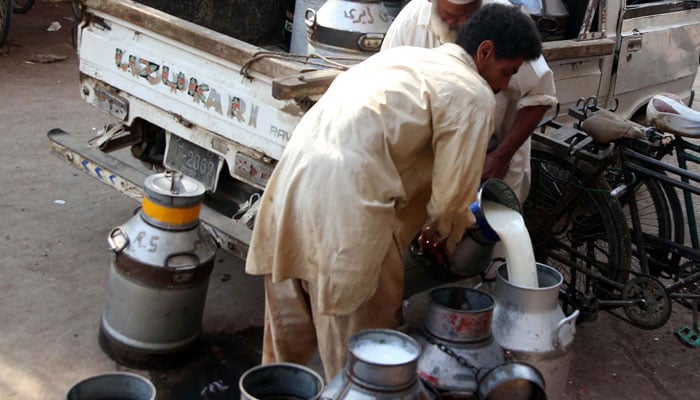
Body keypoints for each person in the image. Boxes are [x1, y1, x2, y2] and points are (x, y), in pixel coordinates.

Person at [245, 3, 543, 381]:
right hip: (350, 216)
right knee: (362, 364)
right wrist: (446, 240)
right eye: (506, 72)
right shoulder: (473, 93)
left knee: (282, 357)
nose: (503, 86)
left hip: (288, 193)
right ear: (485, 52)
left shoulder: (405, 59)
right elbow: (452, 200)